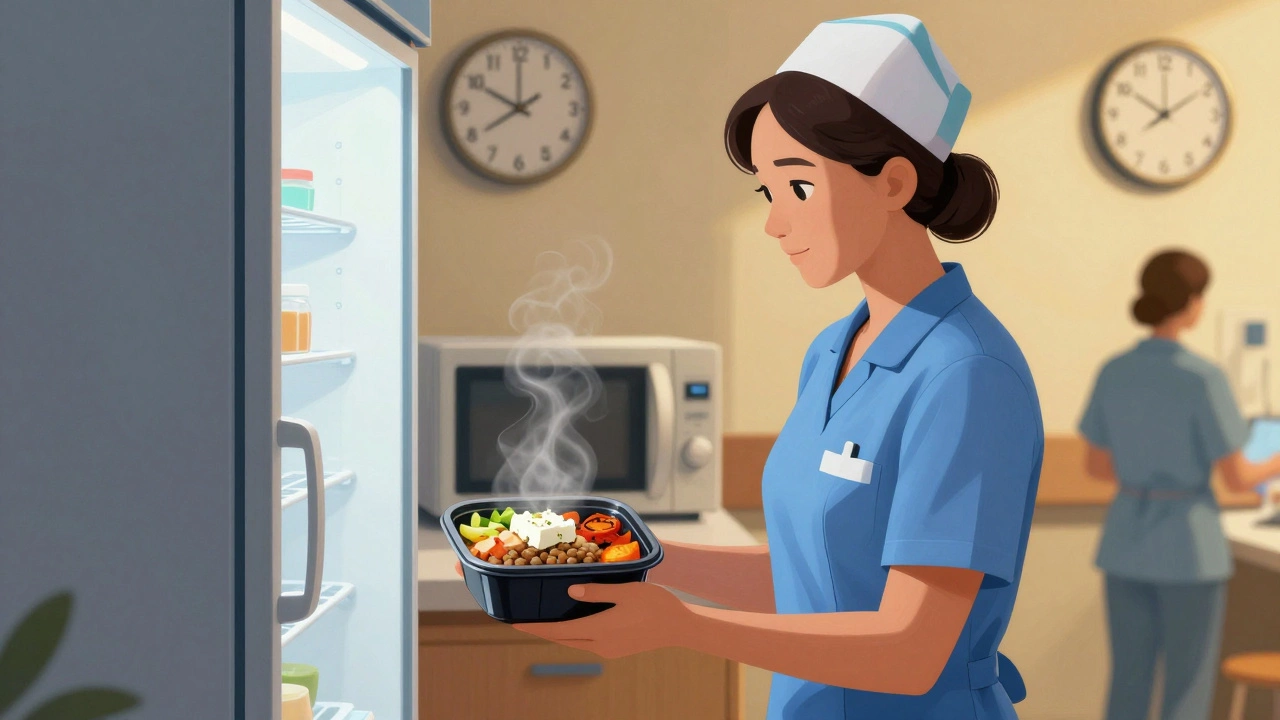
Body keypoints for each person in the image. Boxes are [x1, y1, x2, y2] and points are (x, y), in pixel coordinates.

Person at [513, 15, 1044, 719]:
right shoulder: (831, 351)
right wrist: (630, 553)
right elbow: (813, 581)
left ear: (893, 182)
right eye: (767, 192)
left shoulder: (966, 376)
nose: (774, 222)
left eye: (798, 187)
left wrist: (682, 626)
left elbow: (912, 650)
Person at [1080, 249, 1280, 720]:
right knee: (1186, 686)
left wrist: (1143, 473)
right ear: (1191, 302)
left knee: (1128, 681)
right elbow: (1237, 478)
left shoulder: (1115, 370)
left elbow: (1095, 466)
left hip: (1125, 539)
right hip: (1188, 546)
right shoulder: (1202, 378)